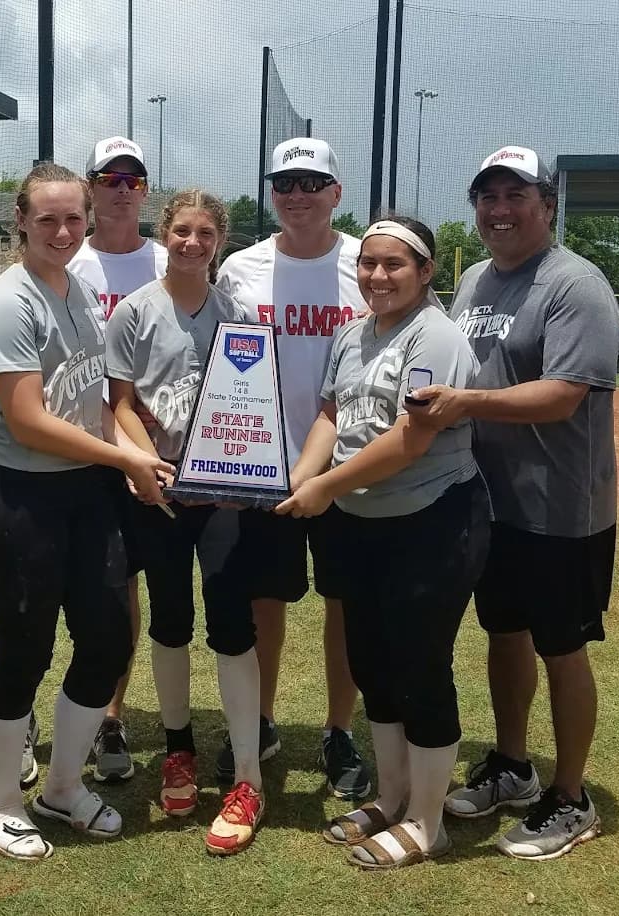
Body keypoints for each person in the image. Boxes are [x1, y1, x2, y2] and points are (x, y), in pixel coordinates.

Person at [407, 146, 619, 861]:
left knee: (562, 649)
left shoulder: (574, 284)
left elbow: (562, 396)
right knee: (504, 635)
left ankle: (571, 796)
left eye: (515, 195)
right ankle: (512, 766)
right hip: (488, 504)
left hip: (560, 509)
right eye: (487, 197)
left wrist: (466, 402)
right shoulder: (472, 280)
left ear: (547, 204)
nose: (499, 210)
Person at [0, 162, 172, 861]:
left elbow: (94, 404)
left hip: (87, 493)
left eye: (73, 218)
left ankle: (60, 790)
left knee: (109, 638)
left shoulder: (80, 290)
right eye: (47, 218)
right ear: (20, 220)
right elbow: (27, 420)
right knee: (24, 650)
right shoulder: (7, 302)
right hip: (21, 495)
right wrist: (128, 462)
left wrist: (134, 458)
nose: (61, 230)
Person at [276, 217, 489, 869]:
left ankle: (429, 821)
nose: (376, 276)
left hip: (433, 519)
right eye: (367, 263)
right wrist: (299, 475)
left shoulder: (437, 337)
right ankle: (393, 799)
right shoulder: (351, 334)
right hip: (361, 522)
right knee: (372, 663)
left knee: (420, 666)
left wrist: (323, 487)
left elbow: (410, 440)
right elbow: (332, 415)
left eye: (394, 264)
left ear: (426, 272)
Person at [106, 189, 265, 856]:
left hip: (223, 498)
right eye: (181, 230)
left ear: (218, 241)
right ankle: (178, 751)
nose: (192, 243)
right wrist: (144, 464)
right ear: (163, 234)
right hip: (161, 493)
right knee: (170, 620)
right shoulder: (135, 312)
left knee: (232, 627)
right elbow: (117, 406)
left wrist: (241, 471)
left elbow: (253, 405)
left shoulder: (242, 311)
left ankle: (249, 778)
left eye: (204, 232)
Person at [215, 137, 370, 799]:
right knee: (263, 601)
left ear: (338, 193)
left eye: (312, 182)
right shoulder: (240, 270)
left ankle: (338, 729)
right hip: (264, 471)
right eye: (285, 183)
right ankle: (263, 719)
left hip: (350, 470)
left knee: (348, 603)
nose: (298, 194)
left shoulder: (371, 262)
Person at [57, 135, 167, 786]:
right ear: (91, 185)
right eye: (109, 177)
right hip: (78, 450)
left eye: (134, 178)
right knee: (72, 588)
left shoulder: (169, 257)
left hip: (152, 448)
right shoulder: (69, 262)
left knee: (129, 586)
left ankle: (111, 715)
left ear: (145, 190)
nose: (122, 188)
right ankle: (42, 708)